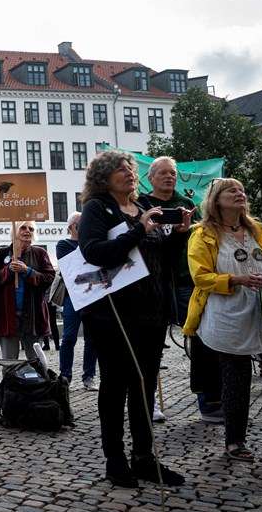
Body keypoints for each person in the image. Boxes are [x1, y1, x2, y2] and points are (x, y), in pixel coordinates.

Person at [78, 150, 190, 488]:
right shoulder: (98, 209)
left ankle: (144, 457)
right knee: (115, 386)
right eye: (120, 169)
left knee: (144, 385)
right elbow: (94, 252)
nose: (129, 173)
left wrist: (181, 233)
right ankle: (115, 460)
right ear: (103, 176)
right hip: (115, 314)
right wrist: (137, 231)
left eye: (130, 168)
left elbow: (163, 258)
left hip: (152, 311)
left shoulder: (142, 208)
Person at [183, 178, 262, 462]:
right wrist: (236, 279)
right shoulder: (202, 234)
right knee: (237, 380)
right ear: (216, 199)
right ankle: (234, 441)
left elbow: (260, 265)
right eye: (231, 190)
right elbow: (200, 276)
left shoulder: (254, 229)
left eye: (241, 190)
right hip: (227, 315)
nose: (240, 193)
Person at [139, 157, 221, 424]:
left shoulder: (186, 204)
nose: (169, 177)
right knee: (150, 345)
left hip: (187, 280)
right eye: (162, 172)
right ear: (150, 178)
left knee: (201, 339)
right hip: (154, 283)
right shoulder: (141, 204)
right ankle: (146, 402)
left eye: (172, 173)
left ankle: (208, 402)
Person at [0, 220, 55, 361]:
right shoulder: (1, 254)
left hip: (34, 314)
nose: (27, 231)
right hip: (7, 315)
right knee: (10, 360)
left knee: (35, 360)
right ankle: (10, 384)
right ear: (15, 231)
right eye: (23, 227)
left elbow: (49, 278)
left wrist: (28, 271)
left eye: (31, 229)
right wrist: (9, 270)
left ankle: (36, 383)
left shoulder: (40, 253)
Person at [56, 212, 98, 391]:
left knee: (92, 338)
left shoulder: (92, 243)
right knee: (69, 337)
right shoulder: (63, 245)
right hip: (72, 297)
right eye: (81, 224)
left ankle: (89, 376)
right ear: (72, 227)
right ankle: (65, 375)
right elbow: (72, 265)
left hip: (92, 294)